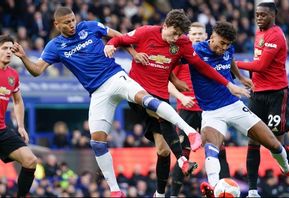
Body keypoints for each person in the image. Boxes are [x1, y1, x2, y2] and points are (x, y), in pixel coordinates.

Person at [12, 7, 206, 198]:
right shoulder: (55, 46)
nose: (72, 25)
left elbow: (120, 37)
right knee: (96, 142)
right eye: (67, 23)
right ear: (57, 24)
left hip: (115, 77)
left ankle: (189, 131)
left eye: (73, 20)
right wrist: (23, 57)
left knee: (148, 100)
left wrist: (134, 54)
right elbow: (37, 70)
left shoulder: (89, 26)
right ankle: (115, 190)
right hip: (97, 93)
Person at [104, 9, 249, 197]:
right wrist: (111, 45)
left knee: (163, 151)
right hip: (138, 92)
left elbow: (200, 66)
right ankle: (182, 158)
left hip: (161, 95)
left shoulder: (183, 43)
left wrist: (229, 84)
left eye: (180, 35)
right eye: (174, 33)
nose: (176, 38)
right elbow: (120, 39)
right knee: (163, 112)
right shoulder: (145, 32)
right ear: (165, 26)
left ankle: (160, 193)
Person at [178, 21, 289, 198]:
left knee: (273, 142)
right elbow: (172, 62)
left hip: (234, 106)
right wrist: (175, 82)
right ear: (212, 36)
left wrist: (240, 77)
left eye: (227, 44)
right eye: (221, 43)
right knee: (211, 148)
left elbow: (230, 60)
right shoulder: (196, 51)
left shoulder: (228, 50)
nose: (224, 48)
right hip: (211, 112)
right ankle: (214, 186)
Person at [235, 1, 289, 197]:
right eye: (257, 15)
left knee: (276, 144)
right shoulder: (260, 33)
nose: (259, 18)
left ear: (273, 15)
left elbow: (261, 66)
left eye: (263, 15)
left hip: (276, 95)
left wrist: (234, 63)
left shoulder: (276, 36)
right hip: (258, 94)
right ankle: (253, 190)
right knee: (253, 140)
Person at [168, 22, 231, 196]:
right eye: (193, 34)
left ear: (206, 37)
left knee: (219, 152)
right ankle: (173, 194)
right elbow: (166, 80)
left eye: (200, 34)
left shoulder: (212, 55)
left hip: (209, 111)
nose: (197, 37)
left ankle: (223, 191)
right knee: (183, 157)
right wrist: (181, 97)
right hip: (186, 111)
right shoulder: (181, 56)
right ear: (188, 37)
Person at [0, 35, 38, 197]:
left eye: (11, 49)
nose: (8, 52)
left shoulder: (13, 75)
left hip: (2, 130)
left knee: (30, 160)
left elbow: (18, 102)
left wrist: (21, 126)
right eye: (4, 48)